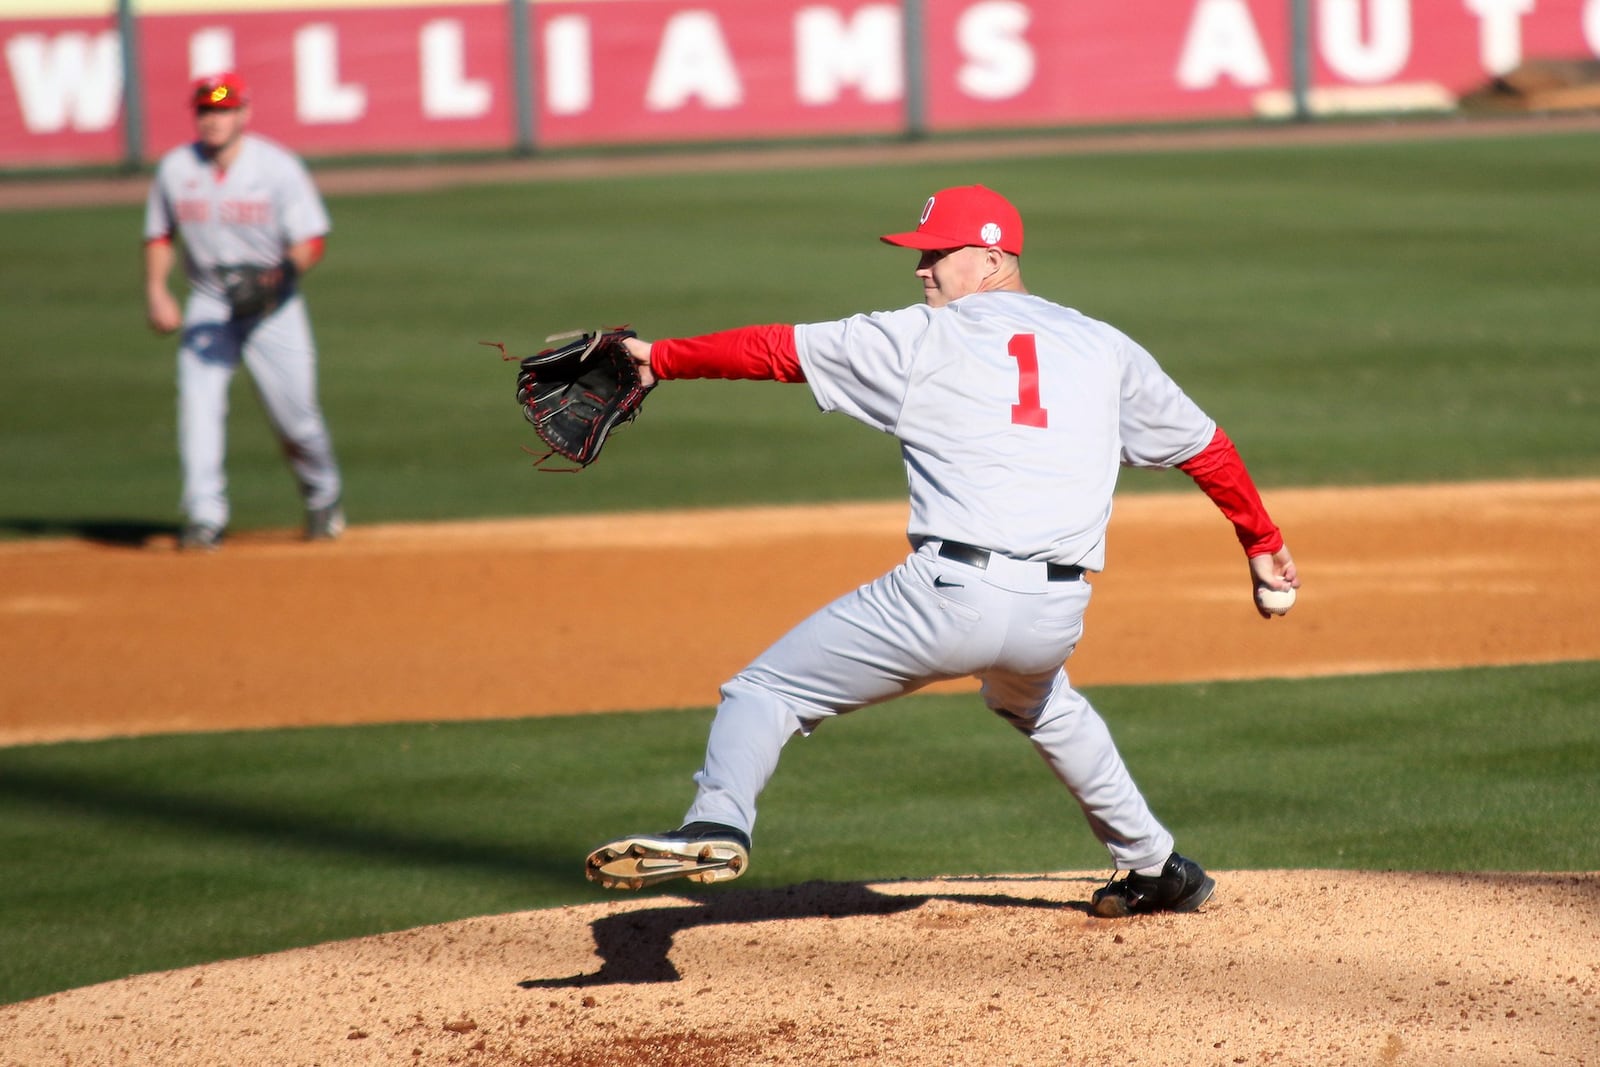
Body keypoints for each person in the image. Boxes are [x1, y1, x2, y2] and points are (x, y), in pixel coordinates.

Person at [584, 184, 1299, 917]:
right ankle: (1155, 865)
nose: (921, 268)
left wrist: (655, 359)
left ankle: (717, 820)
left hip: (947, 596)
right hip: (1057, 608)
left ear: (989, 260)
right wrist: (1262, 541)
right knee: (1042, 703)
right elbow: (1206, 447)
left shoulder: (922, 338)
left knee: (765, 692)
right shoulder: (1103, 344)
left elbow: (773, 350)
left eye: (935, 254)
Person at [143, 71, 344, 551]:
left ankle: (322, 495)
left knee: (296, 419)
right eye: (207, 110)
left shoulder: (277, 168)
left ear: (244, 114)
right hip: (209, 301)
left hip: (273, 306)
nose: (215, 119)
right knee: (198, 408)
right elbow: (159, 234)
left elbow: (311, 240)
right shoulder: (175, 169)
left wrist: (277, 278)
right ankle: (204, 517)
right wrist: (157, 290)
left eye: (225, 109)